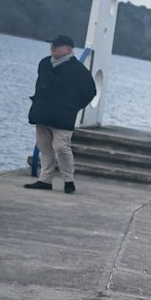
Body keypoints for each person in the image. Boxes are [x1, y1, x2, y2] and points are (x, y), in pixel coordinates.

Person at [24, 35, 96, 194]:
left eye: (57, 45)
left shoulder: (78, 70)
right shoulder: (44, 63)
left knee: (61, 147)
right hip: (42, 112)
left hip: (63, 115)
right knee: (44, 146)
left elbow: (90, 91)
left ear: (69, 49)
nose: (53, 47)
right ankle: (45, 180)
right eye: (52, 45)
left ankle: (68, 181)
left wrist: (73, 107)